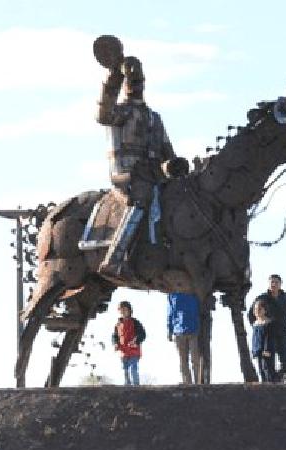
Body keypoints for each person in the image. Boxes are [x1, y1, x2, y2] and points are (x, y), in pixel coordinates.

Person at [95, 51, 187, 279]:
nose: (137, 85)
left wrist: (175, 168)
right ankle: (114, 259)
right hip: (126, 174)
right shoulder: (121, 112)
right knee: (142, 198)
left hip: (153, 174)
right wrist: (113, 77)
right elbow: (102, 114)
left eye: (140, 81)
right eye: (132, 81)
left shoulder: (154, 117)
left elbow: (167, 151)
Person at [247, 274, 286, 383]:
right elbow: (251, 314)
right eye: (272, 282)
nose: (274, 284)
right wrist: (258, 325)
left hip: (283, 333)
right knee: (267, 364)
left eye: (276, 282)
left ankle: (279, 378)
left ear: (280, 284)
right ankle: (270, 383)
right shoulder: (262, 298)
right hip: (268, 334)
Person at [166, 292, 202, 384]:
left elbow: (198, 311)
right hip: (179, 332)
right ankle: (187, 383)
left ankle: (198, 383)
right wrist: (169, 330)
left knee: (195, 358)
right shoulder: (172, 294)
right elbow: (170, 313)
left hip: (192, 330)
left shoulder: (192, 291)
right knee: (183, 360)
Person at [111, 301, 147, 385]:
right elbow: (115, 336)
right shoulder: (117, 325)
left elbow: (142, 334)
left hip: (134, 351)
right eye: (121, 310)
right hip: (123, 352)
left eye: (125, 310)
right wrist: (115, 344)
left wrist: (136, 340)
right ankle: (127, 388)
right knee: (125, 370)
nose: (123, 312)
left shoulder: (135, 322)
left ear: (130, 311)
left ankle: (136, 388)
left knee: (133, 369)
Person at [249, 299, 273, 383]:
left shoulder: (268, 323)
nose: (257, 311)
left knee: (267, 370)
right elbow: (254, 339)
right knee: (261, 370)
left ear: (264, 310)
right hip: (258, 351)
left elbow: (269, 338)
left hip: (266, 351)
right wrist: (254, 350)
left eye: (259, 309)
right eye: (255, 309)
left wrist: (267, 349)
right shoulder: (255, 324)